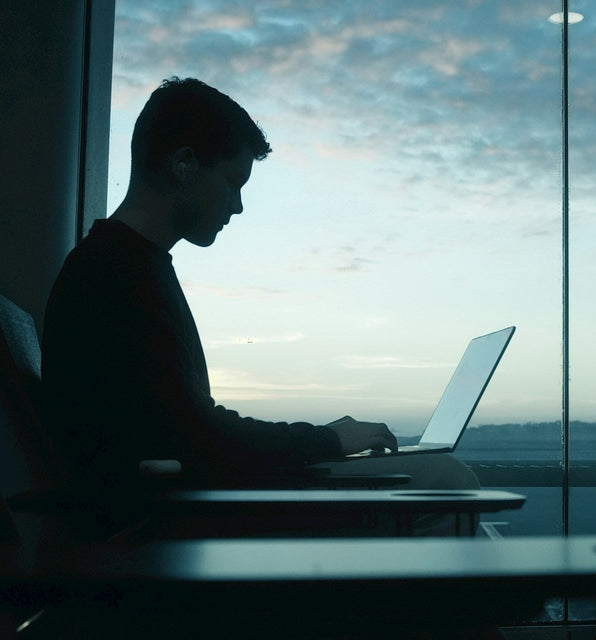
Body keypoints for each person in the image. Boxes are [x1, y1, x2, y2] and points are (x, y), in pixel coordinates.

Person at [42, 78, 478, 505]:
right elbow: (197, 436)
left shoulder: (121, 266)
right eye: (233, 182)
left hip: (186, 497)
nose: (237, 205)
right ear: (184, 165)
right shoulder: (116, 274)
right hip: (173, 518)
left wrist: (322, 441)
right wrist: (326, 439)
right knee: (444, 481)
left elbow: (184, 427)